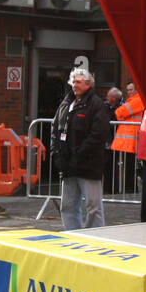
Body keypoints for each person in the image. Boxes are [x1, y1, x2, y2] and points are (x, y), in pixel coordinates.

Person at [52, 67, 112, 230]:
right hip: (68, 165)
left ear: (88, 84)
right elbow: (55, 128)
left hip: (88, 165)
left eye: (78, 82)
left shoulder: (96, 105)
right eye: (73, 82)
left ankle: (96, 237)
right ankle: (73, 235)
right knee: (68, 205)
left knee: (93, 207)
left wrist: (79, 155)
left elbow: (98, 135)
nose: (74, 85)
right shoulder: (66, 103)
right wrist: (56, 153)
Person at [112, 81, 144, 157]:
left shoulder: (138, 100)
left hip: (131, 140)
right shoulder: (133, 100)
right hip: (128, 140)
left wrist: (122, 116)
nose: (128, 92)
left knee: (129, 166)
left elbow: (119, 112)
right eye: (128, 90)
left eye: (131, 90)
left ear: (137, 90)